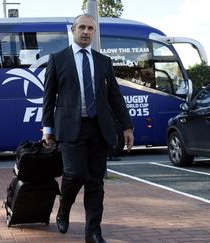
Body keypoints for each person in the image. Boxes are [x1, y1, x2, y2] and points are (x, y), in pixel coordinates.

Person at [42, 14, 134, 243]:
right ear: (73, 30)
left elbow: (115, 96)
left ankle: (93, 232)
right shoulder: (58, 59)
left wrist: (127, 126)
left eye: (90, 28)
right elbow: (48, 98)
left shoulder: (103, 62)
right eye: (81, 27)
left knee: (95, 182)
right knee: (74, 174)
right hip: (71, 128)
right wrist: (47, 129)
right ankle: (64, 208)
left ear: (94, 32)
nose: (86, 31)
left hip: (99, 128)